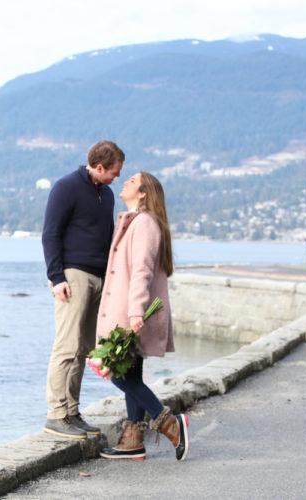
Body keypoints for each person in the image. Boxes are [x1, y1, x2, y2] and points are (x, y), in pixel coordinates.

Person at [96, 171, 189, 461]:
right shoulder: (137, 220)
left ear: (144, 192)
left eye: (132, 181)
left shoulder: (145, 223)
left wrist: (136, 309)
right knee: (130, 372)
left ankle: (169, 424)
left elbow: (142, 270)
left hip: (130, 312)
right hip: (127, 310)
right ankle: (133, 440)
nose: (124, 182)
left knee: (117, 373)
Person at [41, 140, 124, 439]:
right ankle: (56, 414)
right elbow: (50, 234)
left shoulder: (108, 194)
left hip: (99, 277)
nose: (117, 176)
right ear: (99, 167)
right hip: (73, 275)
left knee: (83, 348)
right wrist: (56, 277)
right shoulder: (66, 187)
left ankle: (72, 412)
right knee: (66, 345)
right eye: (114, 171)